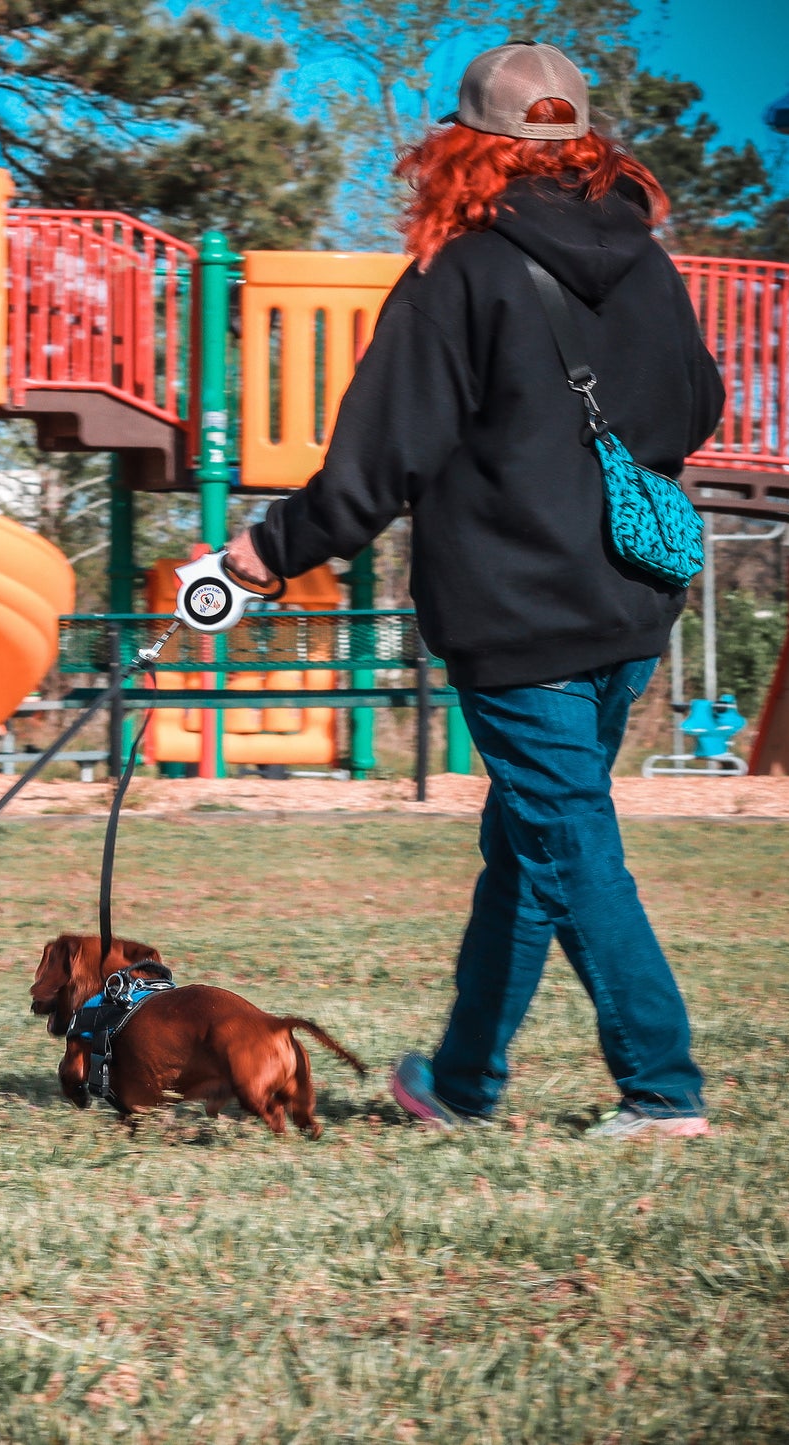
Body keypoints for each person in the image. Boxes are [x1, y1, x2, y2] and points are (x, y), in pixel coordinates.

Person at [225, 40, 724, 1138]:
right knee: (531, 840)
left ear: (462, 145)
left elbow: (374, 466)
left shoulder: (458, 274)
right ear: (581, 139)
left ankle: (662, 1089)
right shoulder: (647, 262)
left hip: (519, 618)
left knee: (567, 840)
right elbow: (696, 409)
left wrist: (264, 551)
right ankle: (458, 1081)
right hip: (630, 600)